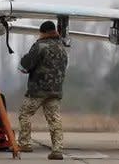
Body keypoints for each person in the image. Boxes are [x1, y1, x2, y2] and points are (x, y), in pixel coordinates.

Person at [17, 21, 69, 160]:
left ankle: (25, 143)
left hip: (38, 90)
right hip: (55, 90)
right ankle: (57, 150)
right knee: (54, 119)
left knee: (25, 114)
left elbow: (25, 65)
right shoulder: (62, 47)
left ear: (43, 32)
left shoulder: (40, 46)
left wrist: (23, 63)